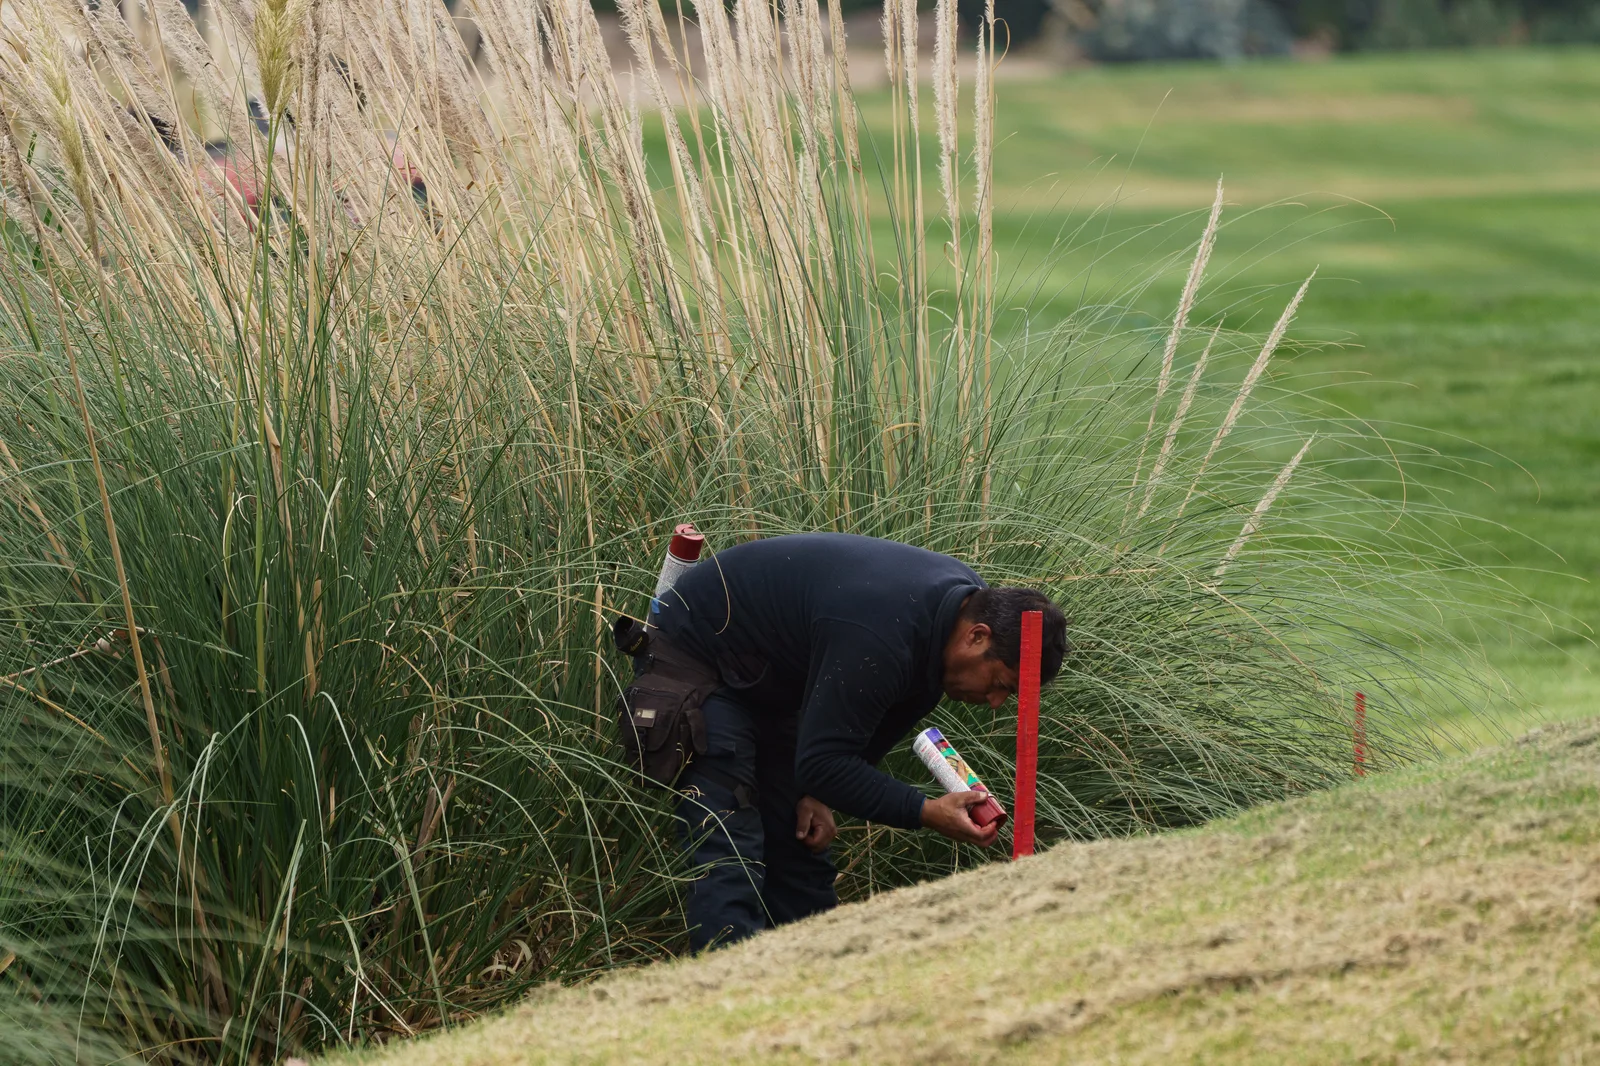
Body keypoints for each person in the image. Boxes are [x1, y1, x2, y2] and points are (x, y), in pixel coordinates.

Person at [646, 532, 1068, 951]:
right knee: (730, 848)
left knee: (800, 847)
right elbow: (823, 764)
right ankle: (728, 985)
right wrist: (925, 811)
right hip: (695, 657)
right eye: (999, 683)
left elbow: (874, 728)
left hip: (764, 679)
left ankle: (817, 980)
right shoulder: (884, 631)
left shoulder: (955, 613)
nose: (995, 702)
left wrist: (817, 794)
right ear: (977, 636)